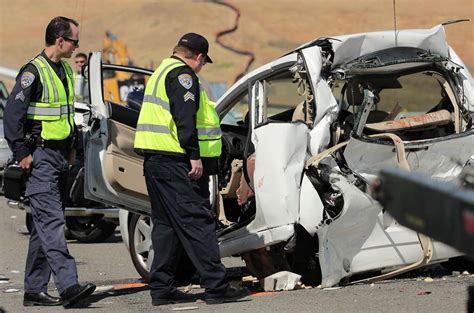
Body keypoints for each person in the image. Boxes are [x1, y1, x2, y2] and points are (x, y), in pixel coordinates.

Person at [134, 33, 250, 306]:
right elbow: (185, 119)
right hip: (177, 162)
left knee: (165, 226)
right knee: (198, 223)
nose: (201, 67)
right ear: (198, 57)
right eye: (203, 62)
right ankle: (216, 286)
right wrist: (194, 156)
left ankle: (161, 288)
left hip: (155, 162)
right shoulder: (183, 76)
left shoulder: (161, 71)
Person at [3, 16, 96, 308]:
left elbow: (66, 114)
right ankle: (69, 286)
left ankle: (33, 290)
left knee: (42, 226)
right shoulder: (34, 72)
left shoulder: (65, 71)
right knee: (53, 222)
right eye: (74, 41)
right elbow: (12, 116)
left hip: (59, 157)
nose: (76, 46)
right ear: (60, 40)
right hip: (40, 158)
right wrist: (22, 154)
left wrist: (71, 148)